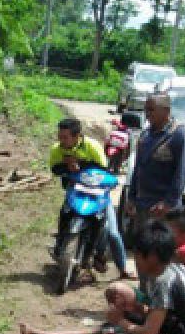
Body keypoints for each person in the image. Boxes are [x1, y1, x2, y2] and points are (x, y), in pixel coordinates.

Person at [48, 118, 135, 281]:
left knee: (113, 233)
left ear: (77, 136)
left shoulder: (92, 146)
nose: (61, 141)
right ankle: (60, 243)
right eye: (59, 136)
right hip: (76, 190)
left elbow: (105, 169)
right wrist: (66, 167)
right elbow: (54, 168)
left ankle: (121, 268)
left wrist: (80, 164)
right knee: (65, 212)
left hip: (99, 193)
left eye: (65, 137)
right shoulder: (57, 149)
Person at [124, 92, 185, 245]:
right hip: (142, 205)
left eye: (151, 110)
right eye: (146, 110)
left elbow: (182, 172)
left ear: (166, 111)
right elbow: (138, 169)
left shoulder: (179, 135)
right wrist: (132, 198)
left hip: (163, 209)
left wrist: (168, 203)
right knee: (142, 249)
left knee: (161, 252)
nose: (147, 114)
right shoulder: (146, 135)